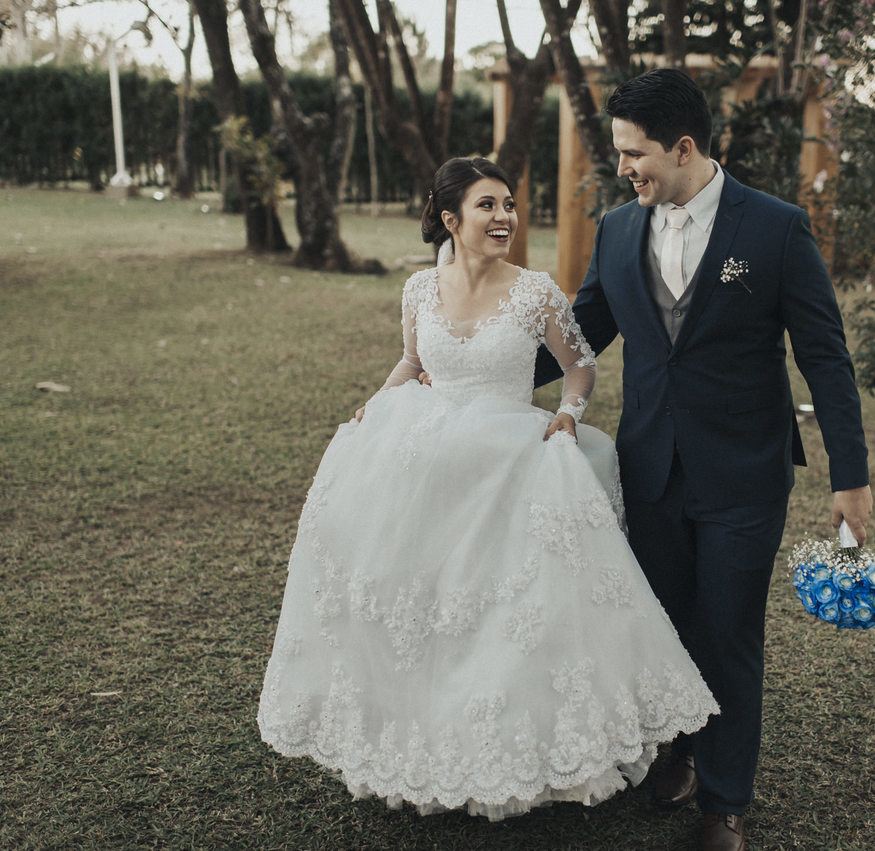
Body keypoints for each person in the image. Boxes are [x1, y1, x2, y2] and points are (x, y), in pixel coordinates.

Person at [256, 156, 719, 821]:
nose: (504, 216)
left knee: (506, 606)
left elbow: (580, 367)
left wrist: (569, 414)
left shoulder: (534, 292)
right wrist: (376, 406)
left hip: (511, 457)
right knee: (420, 598)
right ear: (451, 218)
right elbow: (413, 362)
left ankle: (514, 739)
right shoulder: (419, 290)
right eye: (488, 206)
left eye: (509, 204)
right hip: (428, 458)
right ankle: (423, 729)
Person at [534, 69, 873, 851]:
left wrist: (850, 476)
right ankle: (678, 753)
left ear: (684, 147)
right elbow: (581, 333)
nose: (624, 168)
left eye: (634, 154)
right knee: (662, 623)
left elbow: (826, 356)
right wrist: (471, 372)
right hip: (650, 466)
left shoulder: (776, 228)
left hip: (745, 473)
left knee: (727, 632)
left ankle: (724, 800)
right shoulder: (620, 231)